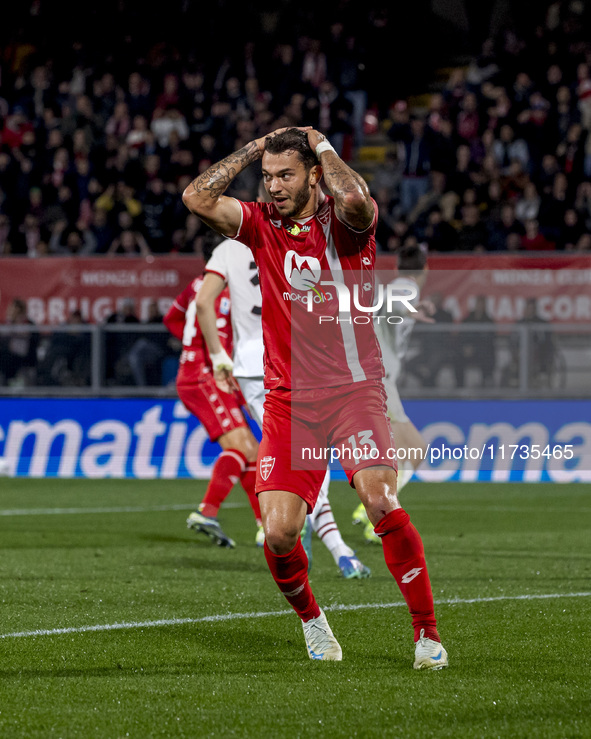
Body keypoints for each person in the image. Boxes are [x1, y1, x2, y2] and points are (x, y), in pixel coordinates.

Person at [182, 126, 447, 668]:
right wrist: (257, 149)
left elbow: (353, 196)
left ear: (313, 176)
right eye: (269, 176)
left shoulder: (348, 226)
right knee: (279, 533)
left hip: (354, 391)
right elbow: (196, 198)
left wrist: (323, 145)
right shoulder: (258, 226)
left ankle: (427, 635)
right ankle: (313, 623)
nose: (274, 186)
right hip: (289, 403)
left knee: (379, 498)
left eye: (286, 175)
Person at [194, 184, 371, 579]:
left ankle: (325, 546)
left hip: (249, 367)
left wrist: (219, 355)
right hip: (294, 360)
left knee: (302, 459)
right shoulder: (299, 238)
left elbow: (204, 302)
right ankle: (330, 546)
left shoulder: (230, 245)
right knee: (308, 459)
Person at [163, 270, 264, 549]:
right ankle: (207, 512)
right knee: (244, 447)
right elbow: (216, 334)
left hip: (197, 372)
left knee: (250, 450)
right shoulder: (226, 291)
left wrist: (188, 345)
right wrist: (216, 366)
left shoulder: (197, 283)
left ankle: (264, 526)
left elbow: (171, 318)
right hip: (206, 375)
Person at [352, 243, 434, 541]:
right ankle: (378, 511)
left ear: (399, 266)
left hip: (382, 379)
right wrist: (414, 308)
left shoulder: (399, 284)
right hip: (380, 381)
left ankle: (374, 507)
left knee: (410, 452)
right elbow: (396, 299)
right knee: (412, 452)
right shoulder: (405, 287)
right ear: (425, 269)